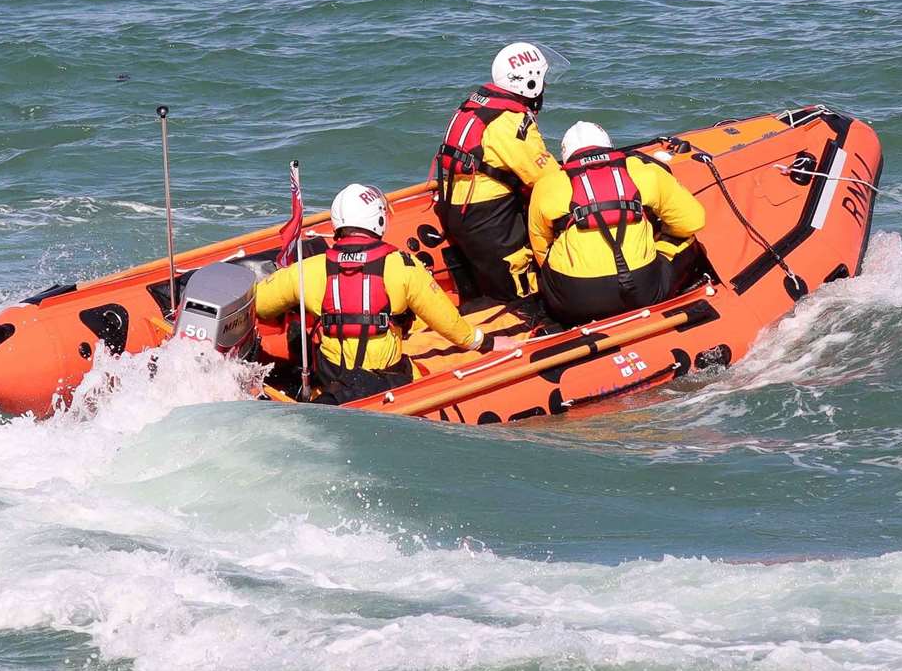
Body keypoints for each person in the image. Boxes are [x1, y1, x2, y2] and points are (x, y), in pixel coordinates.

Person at [255, 183, 518, 403]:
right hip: (386, 377)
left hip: (330, 375)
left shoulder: (308, 270)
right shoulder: (404, 267)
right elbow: (448, 322)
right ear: (378, 220)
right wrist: (487, 342)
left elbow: (261, 305)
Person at [527, 121, 707, 327]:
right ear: (608, 146)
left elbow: (541, 247)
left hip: (573, 302)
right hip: (642, 291)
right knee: (686, 237)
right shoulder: (646, 172)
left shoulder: (547, 185)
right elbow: (693, 221)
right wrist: (658, 239)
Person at [432, 41, 561, 302]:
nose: (545, 86)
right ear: (531, 82)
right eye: (543, 80)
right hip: (488, 218)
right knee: (520, 295)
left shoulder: (477, 104)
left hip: (455, 207)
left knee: (489, 281)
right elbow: (548, 180)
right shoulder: (511, 122)